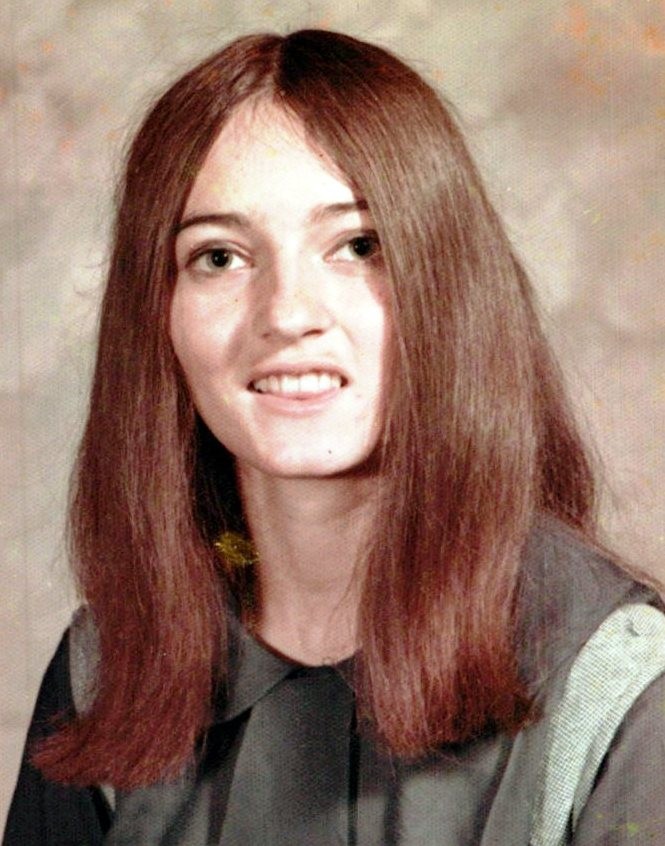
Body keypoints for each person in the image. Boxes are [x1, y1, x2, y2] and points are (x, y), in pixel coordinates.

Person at [4, 29, 665, 846]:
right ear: (157, 316)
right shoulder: (105, 674)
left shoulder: (620, 691)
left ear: (449, 285)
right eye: (219, 257)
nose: (287, 314)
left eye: (357, 246)